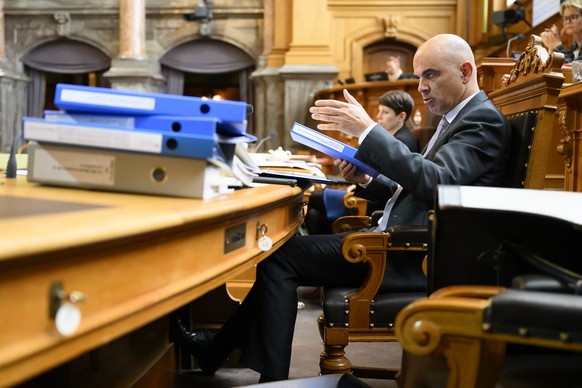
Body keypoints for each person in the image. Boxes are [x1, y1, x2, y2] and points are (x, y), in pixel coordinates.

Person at [173, 33, 512, 383]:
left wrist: (367, 131)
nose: (421, 87)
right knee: (279, 254)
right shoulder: (456, 118)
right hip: (397, 241)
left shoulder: (481, 121)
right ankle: (221, 350)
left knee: (280, 256)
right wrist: (366, 180)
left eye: (430, 75)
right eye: (418, 75)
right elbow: (412, 190)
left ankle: (264, 374)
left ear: (466, 70)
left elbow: (436, 186)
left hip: (414, 255)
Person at [305, 90, 418, 235]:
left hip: (372, 200)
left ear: (401, 116)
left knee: (310, 199)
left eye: (385, 112)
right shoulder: (391, 137)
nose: (378, 117)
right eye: (379, 111)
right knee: (313, 214)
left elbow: (389, 181)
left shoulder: (402, 141)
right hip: (363, 189)